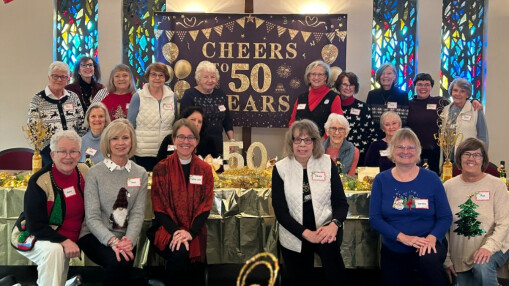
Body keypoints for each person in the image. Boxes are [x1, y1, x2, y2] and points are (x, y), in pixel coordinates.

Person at [369, 128, 452, 286]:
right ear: (392, 151)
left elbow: (445, 217)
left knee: (429, 262)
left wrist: (431, 238)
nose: (405, 151)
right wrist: (403, 237)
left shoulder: (432, 178)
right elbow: (375, 219)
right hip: (394, 247)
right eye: (400, 147)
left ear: (418, 151)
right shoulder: (381, 180)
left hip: (427, 244)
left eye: (411, 147)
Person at [272, 119, 349, 285]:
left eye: (308, 140)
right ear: (290, 142)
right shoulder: (280, 168)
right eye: (297, 139)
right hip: (295, 232)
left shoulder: (327, 163)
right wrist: (307, 234)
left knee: (337, 277)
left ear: (315, 142)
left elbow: (341, 204)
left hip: (326, 229)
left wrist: (334, 225)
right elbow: (280, 212)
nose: (302, 144)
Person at [11, 130, 88, 286]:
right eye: (62, 152)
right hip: (34, 233)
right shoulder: (39, 181)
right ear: (52, 155)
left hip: (72, 237)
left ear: (79, 154)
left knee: (56, 272)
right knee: (55, 251)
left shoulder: (85, 172)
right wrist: (64, 241)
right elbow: (35, 226)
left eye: (73, 151)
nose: (68, 156)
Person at [79, 119, 148, 286]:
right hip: (94, 235)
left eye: (125, 138)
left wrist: (128, 240)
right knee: (118, 262)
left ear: (132, 141)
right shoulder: (95, 173)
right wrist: (114, 242)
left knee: (123, 260)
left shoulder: (140, 173)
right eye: (115, 138)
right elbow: (92, 217)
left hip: (125, 237)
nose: (120, 143)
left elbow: (137, 214)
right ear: (107, 142)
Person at [150, 119, 214, 285]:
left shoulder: (205, 169)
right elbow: (159, 208)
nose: (186, 141)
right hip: (166, 228)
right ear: (173, 139)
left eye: (191, 137)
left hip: (194, 229)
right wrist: (178, 232)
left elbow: (205, 206)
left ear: (197, 141)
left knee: (186, 259)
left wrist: (190, 232)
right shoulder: (161, 169)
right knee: (181, 251)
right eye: (181, 137)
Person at [443, 138, 509, 285]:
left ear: (483, 159)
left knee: (482, 267)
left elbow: (504, 223)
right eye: (466, 154)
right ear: (459, 158)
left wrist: (488, 248)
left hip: (496, 245)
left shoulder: (497, 185)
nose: (471, 158)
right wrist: (447, 259)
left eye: (477, 155)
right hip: (460, 253)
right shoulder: (448, 186)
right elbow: (443, 225)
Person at [28, 61, 86, 167]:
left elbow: (82, 124)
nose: (59, 79)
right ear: (49, 77)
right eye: (55, 76)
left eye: (63, 77)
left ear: (67, 79)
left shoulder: (73, 97)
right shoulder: (37, 100)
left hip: (72, 152)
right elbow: (34, 130)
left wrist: (76, 147)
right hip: (49, 154)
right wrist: (53, 150)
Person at [127, 62, 177, 171]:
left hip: (166, 152)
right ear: (148, 77)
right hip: (143, 152)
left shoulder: (172, 96)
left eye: (161, 75)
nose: (157, 78)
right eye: (153, 74)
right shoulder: (138, 97)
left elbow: (175, 124)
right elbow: (130, 125)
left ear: (165, 78)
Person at [180, 60, 234, 156]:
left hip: (217, 146)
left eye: (213, 77)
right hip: (196, 147)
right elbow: (183, 123)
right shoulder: (189, 95)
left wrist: (232, 141)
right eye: (205, 77)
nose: (210, 80)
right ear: (198, 79)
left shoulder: (220, 94)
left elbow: (227, 120)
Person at [288, 60, 343, 137]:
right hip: (301, 144)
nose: (316, 77)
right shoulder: (301, 98)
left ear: (325, 77)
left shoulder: (333, 97)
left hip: (323, 145)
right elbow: (292, 123)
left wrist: (322, 142)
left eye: (320, 74)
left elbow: (337, 124)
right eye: (313, 74)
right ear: (309, 77)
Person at [440, 77, 489, 158]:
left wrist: (481, 157)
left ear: (467, 94)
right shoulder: (445, 110)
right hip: (447, 156)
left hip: (468, 157)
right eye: (455, 90)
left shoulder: (475, 109)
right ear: (451, 92)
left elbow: (483, 137)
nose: (458, 94)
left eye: (462, 91)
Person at [334, 71, 376, 164]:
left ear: (355, 87)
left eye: (351, 85)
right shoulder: (332, 105)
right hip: (336, 155)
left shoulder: (363, 107)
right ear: (339, 86)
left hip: (359, 158)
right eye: (344, 84)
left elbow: (371, 134)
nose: (348, 88)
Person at [366, 63, 409, 138]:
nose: (385, 76)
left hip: (396, 138)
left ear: (394, 76)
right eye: (382, 74)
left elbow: (403, 121)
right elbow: (368, 119)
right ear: (379, 76)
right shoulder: (372, 94)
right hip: (375, 137)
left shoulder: (403, 95)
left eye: (389, 73)